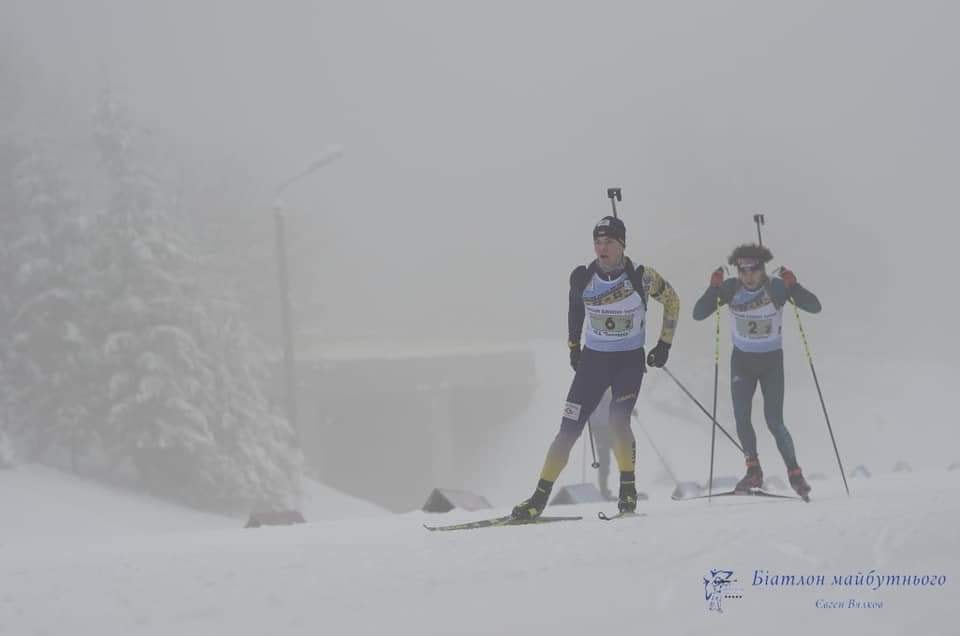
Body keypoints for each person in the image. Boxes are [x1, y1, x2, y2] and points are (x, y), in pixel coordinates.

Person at [511, 216, 680, 519]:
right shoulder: (582, 277)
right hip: (594, 361)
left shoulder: (642, 277)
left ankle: (627, 491)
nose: (602, 249)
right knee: (568, 430)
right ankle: (537, 499)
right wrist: (574, 347)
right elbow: (575, 310)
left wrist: (664, 344)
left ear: (622, 245)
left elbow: (673, 302)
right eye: (597, 242)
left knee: (618, 422)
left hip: (628, 361)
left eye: (609, 242)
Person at [692, 244, 821, 498]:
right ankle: (754, 471)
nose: (748, 275)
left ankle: (795, 472)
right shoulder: (730, 288)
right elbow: (698, 314)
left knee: (774, 420)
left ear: (762, 269)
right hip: (742, 362)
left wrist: (794, 287)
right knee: (742, 417)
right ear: (737, 271)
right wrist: (713, 289)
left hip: (772, 363)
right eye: (742, 270)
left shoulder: (776, 288)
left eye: (754, 269)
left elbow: (814, 307)